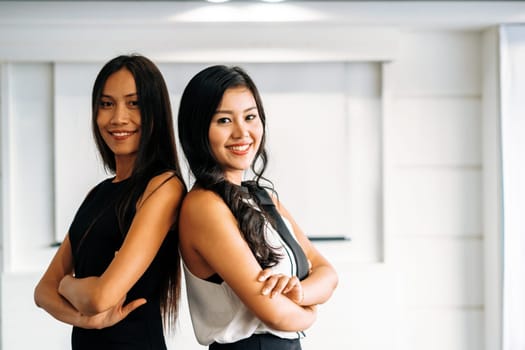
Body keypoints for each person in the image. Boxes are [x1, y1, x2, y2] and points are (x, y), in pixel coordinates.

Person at [177, 65, 339, 350]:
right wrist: (310, 312)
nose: (242, 132)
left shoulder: (261, 197)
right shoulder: (203, 205)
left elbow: (327, 273)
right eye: (224, 120)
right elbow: (276, 315)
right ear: (198, 130)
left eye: (250, 117)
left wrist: (298, 293)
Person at [34, 54, 186, 350]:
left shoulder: (164, 187)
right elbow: (42, 292)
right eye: (106, 104)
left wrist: (66, 284)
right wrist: (88, 320)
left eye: (134, 103)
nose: (118, 118)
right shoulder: (98, 194)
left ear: (154, 111)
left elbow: (101, 297)